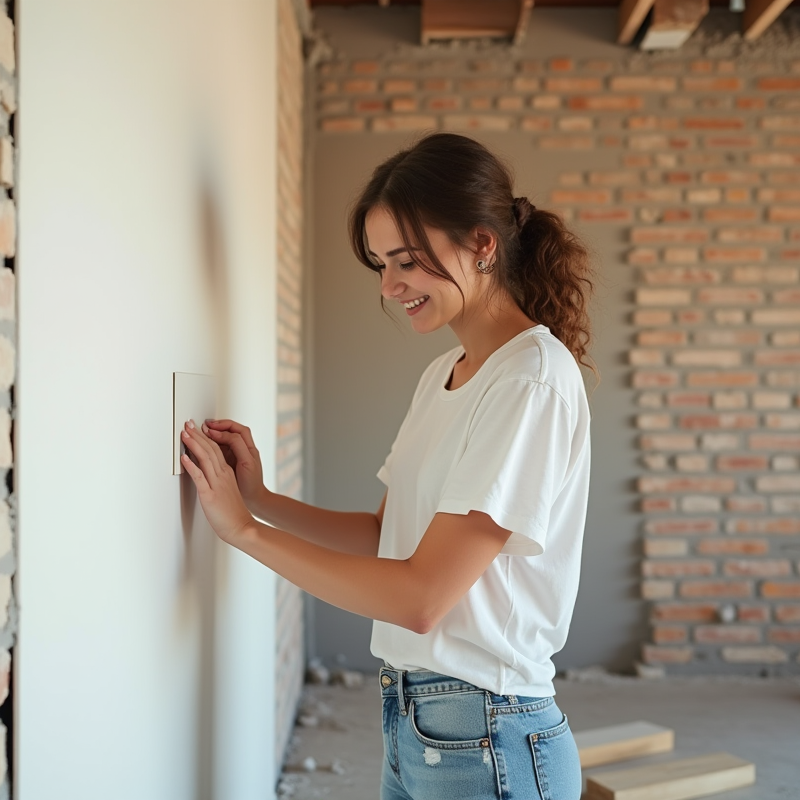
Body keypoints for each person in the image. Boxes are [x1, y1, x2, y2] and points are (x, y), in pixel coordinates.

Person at [179, 132, 594, 800]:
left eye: (406, 260)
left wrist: (245, 535)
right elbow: (385, 539)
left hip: (486, 733)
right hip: (418, 723)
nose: (391, 285)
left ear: (482, 243)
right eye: (379, 264)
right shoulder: (443, 375)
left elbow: (421, 597)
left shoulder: (531, 379)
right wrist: (258, 498)